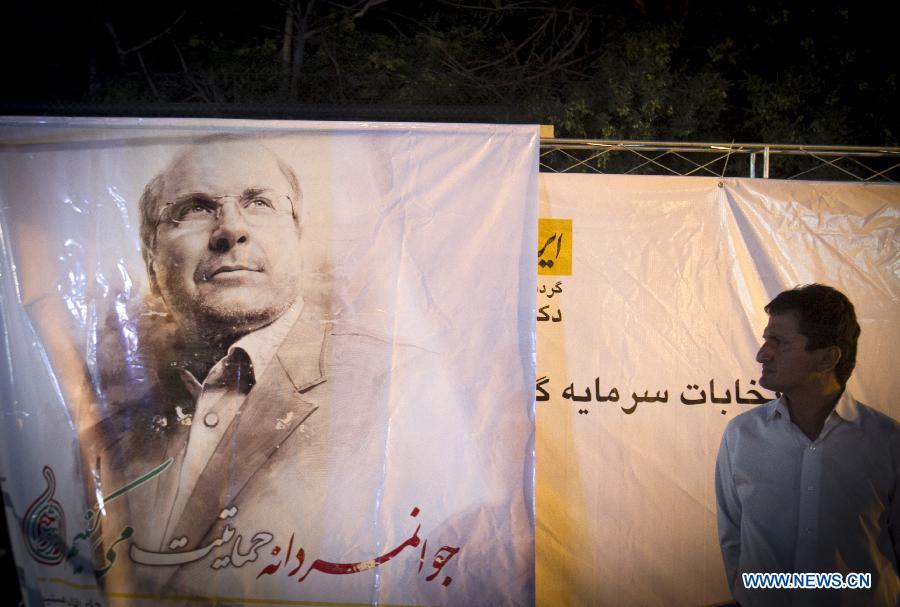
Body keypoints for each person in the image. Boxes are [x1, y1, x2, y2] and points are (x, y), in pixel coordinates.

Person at [82, 135, 459, 603]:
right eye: (196, 209)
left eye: (259, 202)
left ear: (298, 237)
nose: (230, 230)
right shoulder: (110, 432)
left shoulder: (403, 384)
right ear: (150, 256)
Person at [715, 284, 900, 606]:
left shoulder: (888, 442)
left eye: (779, 342)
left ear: (827, 357)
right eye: (765, 339)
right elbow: (733, 540)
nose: (762, 354)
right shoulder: (741, 435)